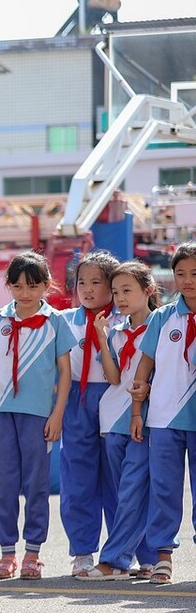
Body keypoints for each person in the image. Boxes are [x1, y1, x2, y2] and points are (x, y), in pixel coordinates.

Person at [0, 252, 76, 580]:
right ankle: (7, 553)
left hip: (38, 415)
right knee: (3, 484)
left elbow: (65, 372)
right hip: (1, 413)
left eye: (33, 286)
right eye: (17, 286)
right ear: (8, 285)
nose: (25, 292)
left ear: (47, 286)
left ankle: (33, 552)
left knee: (36, 485)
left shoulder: (55, 322)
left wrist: (57, 413)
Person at [78, 261, 159, 580]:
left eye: (127, 290)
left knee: (133, 489)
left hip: (146, 419)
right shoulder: (115, 332)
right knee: (124, 491)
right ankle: (147, 558)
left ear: (148, 290)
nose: (120, 297)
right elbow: (113, 377)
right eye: (115, 291)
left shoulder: (162, 326)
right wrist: (100, 336)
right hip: (111, 420)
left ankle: (114, 560)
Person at [129, 242, 196, 585]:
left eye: (194, 273)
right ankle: (163, 557)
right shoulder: (161, 317)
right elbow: (145, 365)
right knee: (164, 490)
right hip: (164, 419)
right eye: (181, 273)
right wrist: (137, 412)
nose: (188, 280)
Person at [59, 251, 119, 577]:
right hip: (76, 401)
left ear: (112, 286)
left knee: (117, 478)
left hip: (114, 398)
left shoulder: (122, 320)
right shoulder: (67, 321)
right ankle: (82, 551)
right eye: (82, 282)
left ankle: (121, 549)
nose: (88, 289)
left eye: (97, 282)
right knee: (78, 478)